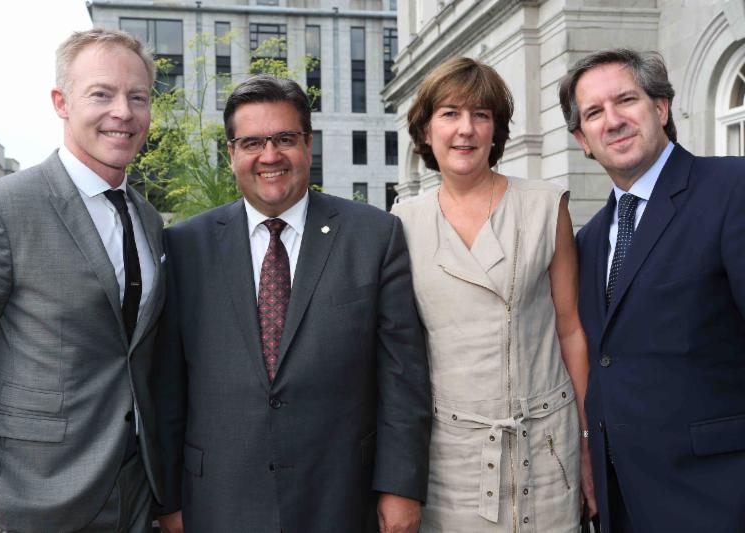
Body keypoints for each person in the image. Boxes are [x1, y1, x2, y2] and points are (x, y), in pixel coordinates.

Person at [154, 75, 432, 533]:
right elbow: (167, 386)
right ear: (231, 154)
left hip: (341, 497)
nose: (270, 156)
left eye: (285, 138)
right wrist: (169, 499)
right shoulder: (186, 246)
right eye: (252, 142)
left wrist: (401, 487)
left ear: (308, 144)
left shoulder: (373, 236)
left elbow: (403, 377)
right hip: (217, 501)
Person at [0, 28, 165, 533]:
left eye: (138, 97)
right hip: (30, 501)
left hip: (133, 498)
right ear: (61, 102)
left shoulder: (148, 221)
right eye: (102, 94)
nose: (123, 112)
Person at [392, 57, 596, 532]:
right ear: (425, 131)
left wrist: (588, 441)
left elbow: (571, 330)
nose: (466, 129)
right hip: (450, 460)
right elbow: (399, 357)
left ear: (496, 131)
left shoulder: (546, 206)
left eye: (481, 115)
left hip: (546, 450)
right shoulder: (401, 223)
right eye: (450, 113)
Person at [558, 48, 745, 532]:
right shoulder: (590, 239)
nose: (613, 120)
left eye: (626, 100)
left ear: (660, 108)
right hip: (623, 500)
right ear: (582, 139)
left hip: (719, 495)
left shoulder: (732, 189)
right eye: (594, 113)